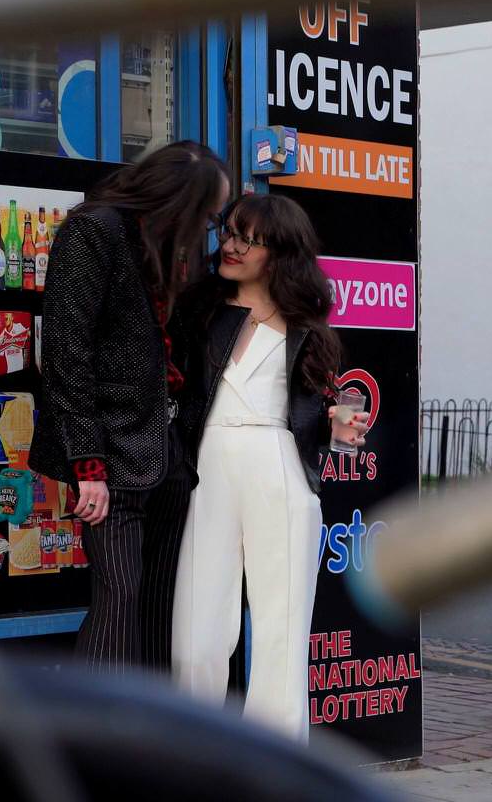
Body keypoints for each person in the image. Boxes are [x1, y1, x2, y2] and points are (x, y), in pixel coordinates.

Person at [169, 193, 369, 741]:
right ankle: (195, 761)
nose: (229, 245)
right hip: (206, 469)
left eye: (246, 238)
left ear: (279, 252)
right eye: (228, 232)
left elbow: (329, 418)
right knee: (195, 639)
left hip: (278, 469)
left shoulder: (309, 331)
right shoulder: (198, 310)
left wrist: (340, 431)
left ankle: (275, 772)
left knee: (282, 635)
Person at [29, 141, 231, 669]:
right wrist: (87, 466)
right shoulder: (94, 230)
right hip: (110, 458)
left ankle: (151, 734)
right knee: (118, 601)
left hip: (166, 452)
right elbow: (67, 353)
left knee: (162, 603)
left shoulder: (165, 246)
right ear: (179, 201)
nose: (209, 229)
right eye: (208, 216)